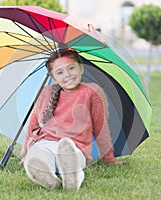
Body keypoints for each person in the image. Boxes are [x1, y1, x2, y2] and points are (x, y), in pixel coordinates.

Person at [19, 49, 117, 190]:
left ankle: (73, 177)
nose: (68, 75)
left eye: (71, 68)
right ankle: (47, 176)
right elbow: (33, 122)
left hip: (75, 146)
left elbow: (100, 126)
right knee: (39, 155)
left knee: (70, 155)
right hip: (45, 141)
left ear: (81, 68)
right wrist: (25, 151)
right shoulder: (46, 92)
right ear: (53, 77)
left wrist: (108, 157)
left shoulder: (91, 92)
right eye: (60, 72)